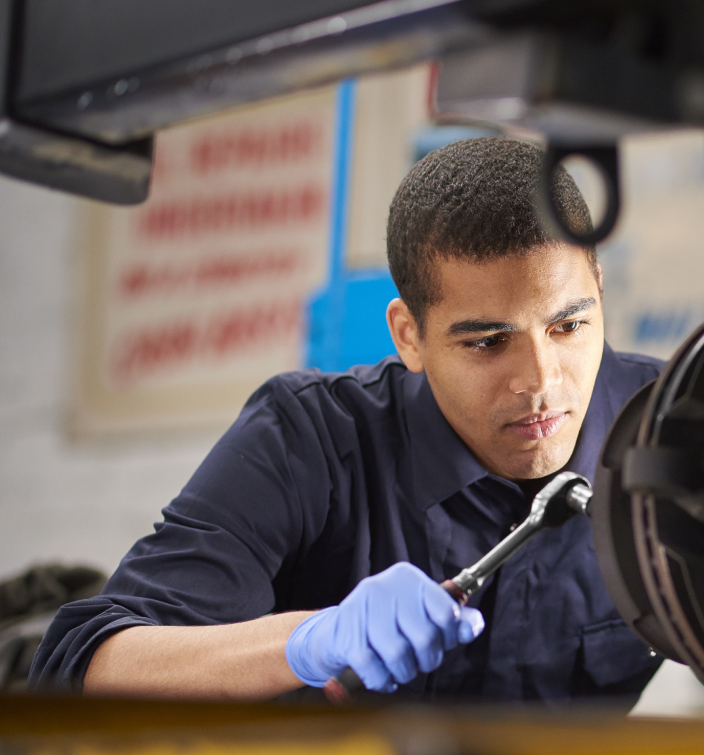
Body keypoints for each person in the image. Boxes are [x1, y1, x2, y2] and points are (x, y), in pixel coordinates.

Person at [30, 137, 665, 705]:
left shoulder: (675, 429)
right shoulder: (306, 439)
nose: (542, 382)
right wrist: (309, 642)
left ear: (600, 288)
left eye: (568, 326)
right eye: (487, 343)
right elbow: (80, 669)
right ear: (408, 336)